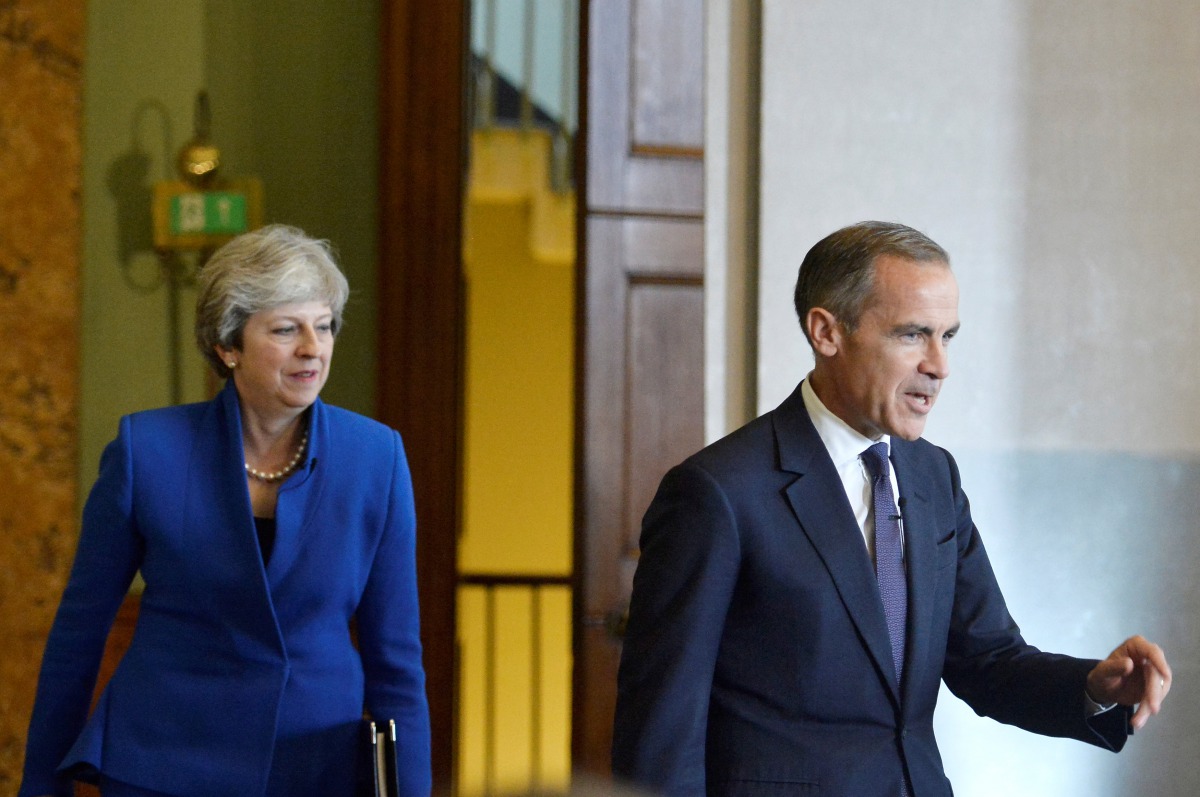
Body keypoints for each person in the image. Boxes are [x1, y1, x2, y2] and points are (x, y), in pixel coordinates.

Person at [611, 221, 1172, 796]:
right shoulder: (717, 493)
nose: (939, 365)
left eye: (947, 336)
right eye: (912, 335)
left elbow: (989, 660)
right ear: (827, 332)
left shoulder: (934, 477)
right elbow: (661, 734)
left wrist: (1095, 685)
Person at [19, 225, 431, 797]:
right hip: (160, 764)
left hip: (314, 769)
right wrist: (41, 786)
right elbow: (79, 635)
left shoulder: (376, 459)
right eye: (286, 329)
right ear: (227, 346)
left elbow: (397, 663)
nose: (313, 347)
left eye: (324, 325)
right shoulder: (148, 450)